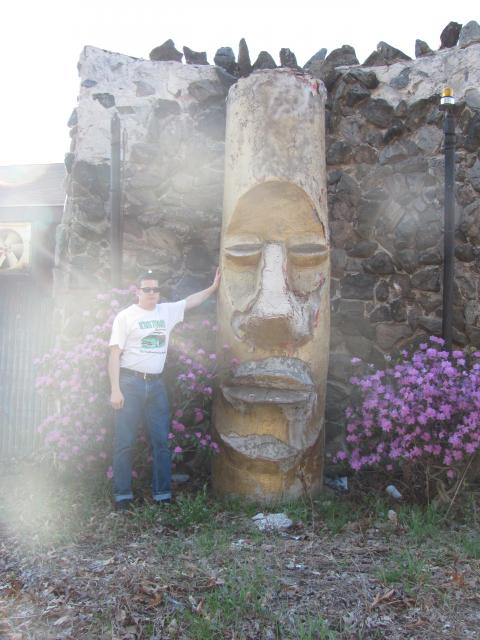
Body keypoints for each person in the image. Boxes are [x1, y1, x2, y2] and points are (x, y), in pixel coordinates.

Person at [108, 269, 220, 510]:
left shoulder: (166, 311)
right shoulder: (125, 317)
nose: (152, 293)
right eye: (147, 289)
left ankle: (162, 496)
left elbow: (190, 302)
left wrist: (212, 288)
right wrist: (115, 389)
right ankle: (122, 497)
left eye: (155, 289)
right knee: (124, 442)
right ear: (138, 292)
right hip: (130, 384)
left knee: (161, 442)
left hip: (156, 386)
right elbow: (114, 354)